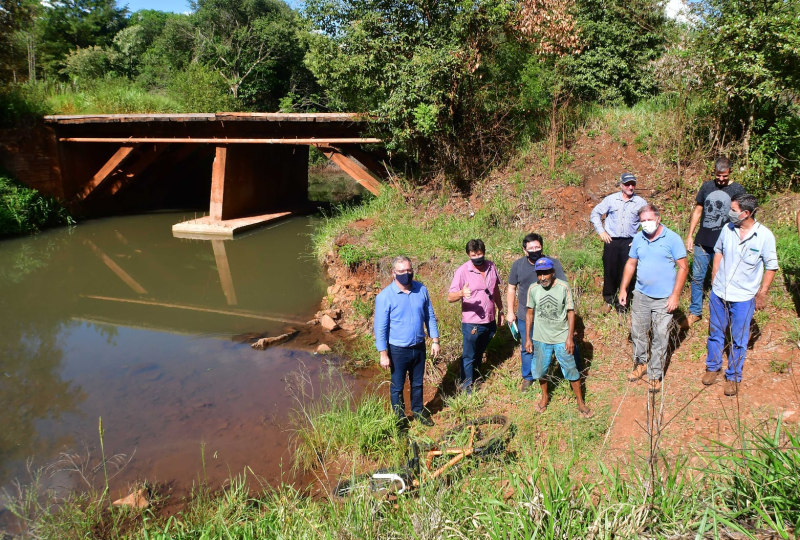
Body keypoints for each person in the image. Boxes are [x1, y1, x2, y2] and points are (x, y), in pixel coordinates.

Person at [701, 194, 778, 396]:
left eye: (733, 210)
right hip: (720, 293)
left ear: (746, 213)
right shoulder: (727, 229)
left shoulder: (764, 236)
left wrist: (762, 293)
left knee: (739, 339)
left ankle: (734, 376)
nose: (729, 213)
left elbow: (771, 267)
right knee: (715, 333)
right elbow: (718, 250)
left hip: (743, 298)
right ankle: (713, 367)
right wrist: (715, 275)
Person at [619, 205, 688, 393]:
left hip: (664, 298)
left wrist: (675, 295)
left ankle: (655, 373)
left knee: (660, 336)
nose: (646, 223)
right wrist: (624, 289)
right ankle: (640, 363)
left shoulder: (672, 238)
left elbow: (683, 267)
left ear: (658, 219)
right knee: (638, 332)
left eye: (649, 219)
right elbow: (631, 264)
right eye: (643, 221)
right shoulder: (638, 238)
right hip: (641, 295)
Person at [374, 256, 440, 426]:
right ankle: (400, 419)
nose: (406, 274)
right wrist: (383, 354)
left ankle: (418, 411)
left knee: (417, 383)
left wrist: (435, 340)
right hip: (398, 350)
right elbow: (380, 327)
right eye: (402, 271)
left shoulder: (421, 289)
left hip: (419, 346)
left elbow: (430, 316)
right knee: (397, 386)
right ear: (393, 273)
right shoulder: (385, 297)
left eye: (409, 270)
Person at [524, 258, 592, 418]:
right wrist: (527, 338)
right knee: (540, 370)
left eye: (545, 273)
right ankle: (545, 397)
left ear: (553, 272)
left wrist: (570, 338)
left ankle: (580, 401)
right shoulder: (533, 289)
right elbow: (529, 314)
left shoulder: (563, 287)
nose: (542, 277)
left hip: (561, 337)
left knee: (571, 369)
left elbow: (570, 313)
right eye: (539, 274)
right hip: (540, 337)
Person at [684, 157, 745, 326]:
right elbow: (698, 210)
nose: (721, 179)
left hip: (726, 242)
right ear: (714, 172)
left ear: (730, 172)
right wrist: (690, 235)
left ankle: (721, 312)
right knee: (697, 277)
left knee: (724, 278)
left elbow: (742, 215)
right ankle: (695, 311)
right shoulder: (707, 186)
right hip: (703, 240)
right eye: (718, 175)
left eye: (724, 176)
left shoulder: (738, 189)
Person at [506, 233, 567, 390]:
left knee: (558, 344)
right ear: (524, 250)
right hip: (525, 314)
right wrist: (510, 312)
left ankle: (565, 371)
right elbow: (511, 288)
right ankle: (528, 377)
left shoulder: (553, 263)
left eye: (537, 247)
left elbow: (563, 286)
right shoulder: (518, 265)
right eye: (531, 248)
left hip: (550, 314)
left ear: (542, 247)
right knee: (527, 346)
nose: (535, 250)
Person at [447, 239, 504, 392]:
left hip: (490, 320)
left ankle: (476, 379)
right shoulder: (462, 271)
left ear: (484, 252)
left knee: (479, 353)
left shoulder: (491, 266)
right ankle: (466, 387)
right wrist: (461, 293)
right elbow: (450, 297)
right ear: (468, 255)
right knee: (469, 356)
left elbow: (495, 290)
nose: (477, 257)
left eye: (479, 254)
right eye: (473, 255)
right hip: (472, 323)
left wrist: (501, 310)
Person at [590, 173, 648, 313]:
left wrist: (639, 237)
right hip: (612, 240)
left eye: (633, 184)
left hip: (630, 242)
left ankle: (623, 303)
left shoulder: (640, 202)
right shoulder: (611, 200)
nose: (630, 187)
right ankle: (609, 300)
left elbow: (648, 220)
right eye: (627, 184)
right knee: (610, 270)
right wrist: (601, 232)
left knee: (627, 272)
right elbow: (595, 213)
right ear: (621, 185)